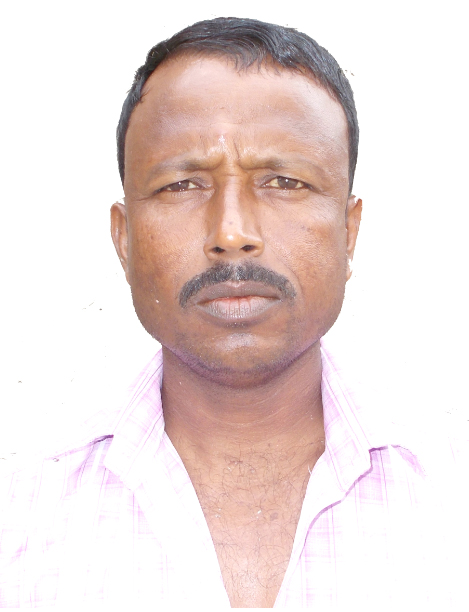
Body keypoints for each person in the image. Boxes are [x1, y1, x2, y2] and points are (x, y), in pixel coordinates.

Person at [1, 17, 467, 609]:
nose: (231, 232)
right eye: (182, 185)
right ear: (124, 239)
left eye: (284, 181)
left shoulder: (454, 502)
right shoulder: (20, 520)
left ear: (348, 233)